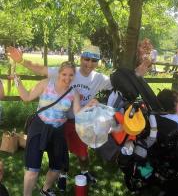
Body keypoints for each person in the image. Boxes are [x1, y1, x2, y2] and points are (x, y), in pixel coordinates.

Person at [7, 45, 112, 188]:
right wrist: (21, 62)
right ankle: (60, 176)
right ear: (81, 58)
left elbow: (116, 82)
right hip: (46, 124)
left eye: (94, 60)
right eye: (87, 59)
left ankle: (56, 183)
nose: (89, 63)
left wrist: (90, 105)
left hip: (69, 123)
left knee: (71, 156)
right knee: (37, 166)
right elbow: (38, 71)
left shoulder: (90, 83)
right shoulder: (50, 81)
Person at [12, 61, 97, 196]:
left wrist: (90, 105)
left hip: (58, 131)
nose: (67, 78)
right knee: (33, 170)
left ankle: (45, 190)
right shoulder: (46, 84)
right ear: (59, 73)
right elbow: (26, 97)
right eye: (64, 74)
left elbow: (77, 113)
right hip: (40, 127)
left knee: (57, 168)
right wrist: (17, 80)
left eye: (71, 75)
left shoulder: (73, 93)